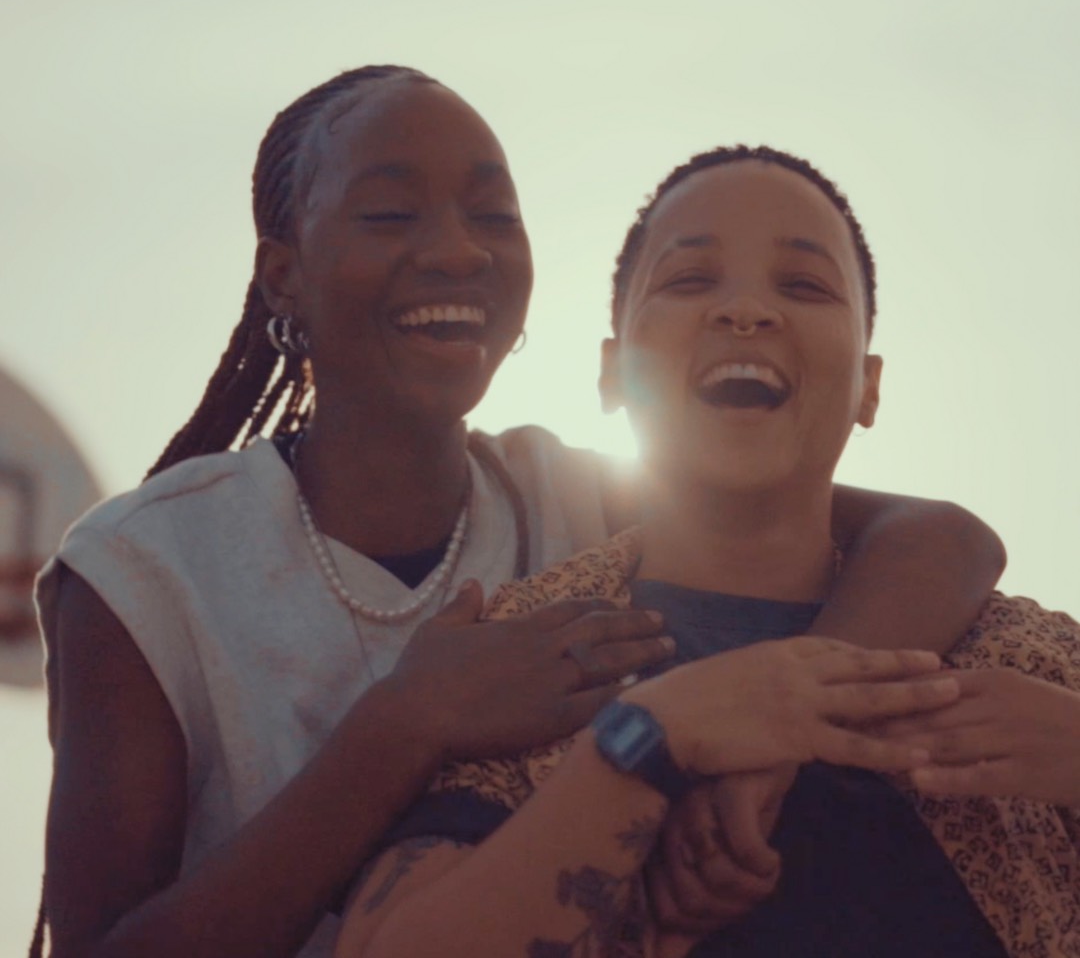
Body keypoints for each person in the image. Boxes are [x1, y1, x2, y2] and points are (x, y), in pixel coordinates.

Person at [35, 70, 1005, 958]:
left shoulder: (578, 496)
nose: (458, 250)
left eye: (494, 217)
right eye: (389, 213)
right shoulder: (148, 569)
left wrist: (787, 732)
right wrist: (406, 725)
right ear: (284, 273)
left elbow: (937, 536)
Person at [335, 145, 1080, 957]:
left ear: (869, 385)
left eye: (804, 286)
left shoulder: (1027, 661)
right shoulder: (532, 657)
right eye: (690, 282)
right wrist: (650, 742)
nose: (747, 311)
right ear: (613, 373)